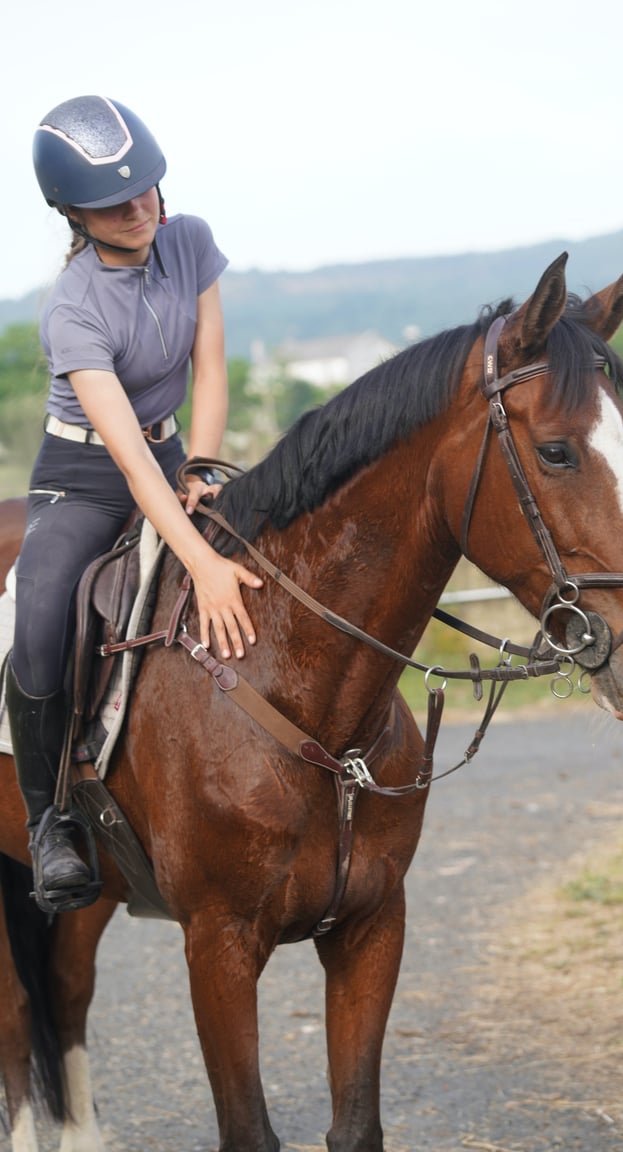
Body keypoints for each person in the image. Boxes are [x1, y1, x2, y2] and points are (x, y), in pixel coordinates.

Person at [8, 94, 262, 912]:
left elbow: (210, 367)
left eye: (148, 189)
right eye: (115, 205)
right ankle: (51, 820)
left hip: (175, 453)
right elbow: (123, 456)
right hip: (85, 475)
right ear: (72, 215)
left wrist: (210, 468)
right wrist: (203, 564)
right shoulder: (72, 307)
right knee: (40, 618)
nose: (140, 208)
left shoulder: (187, 239)